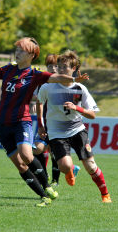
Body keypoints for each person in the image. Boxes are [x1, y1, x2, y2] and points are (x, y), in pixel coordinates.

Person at [0, 38, 89, 207]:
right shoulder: (8, 69)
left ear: (31, 55)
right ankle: (44, 196)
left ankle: (47, 186)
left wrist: (73, 79)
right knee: (20, 165)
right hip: (2, 123)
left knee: (27, 155)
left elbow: (56, 77)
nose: (18, 52)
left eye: (22, 50)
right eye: (18, 49)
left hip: (22, 121)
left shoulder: (35, 74)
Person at [37, 50, 112, 203]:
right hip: (56, 132)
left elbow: (92, 115)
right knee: (64, 167)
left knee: (90, 166)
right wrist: (40, 124)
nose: (60, 69)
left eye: (64, 67)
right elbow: (39, 102)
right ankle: (70, 171)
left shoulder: (80, 89)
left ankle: (105, 195)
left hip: (77, 130)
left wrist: (77, 108)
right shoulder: (47, 87)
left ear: (74, 69)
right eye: (59, 66)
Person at [33, 54, 80, 187]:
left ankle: (55, 181)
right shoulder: (43, 82)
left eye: (56, 66)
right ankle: (44, 175)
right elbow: (39, 99)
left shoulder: (64, 83)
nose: (53, 68)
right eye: (50, 66)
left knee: (54, 153)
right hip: (45, 122)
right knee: (37, 148)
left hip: (58, 124)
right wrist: (34, 105)